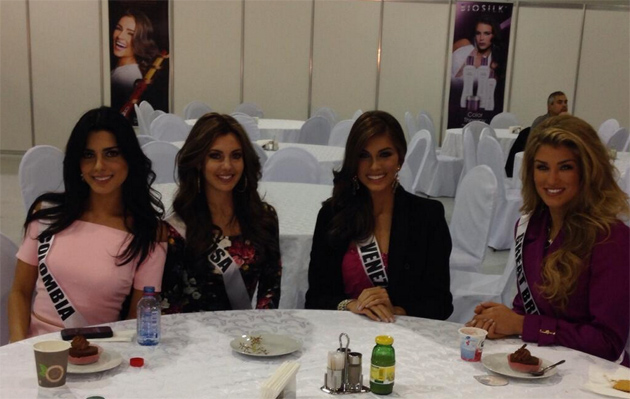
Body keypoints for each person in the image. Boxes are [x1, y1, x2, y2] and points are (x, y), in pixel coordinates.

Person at [468, 115, 630, 365]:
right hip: (546, 363)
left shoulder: (611, 238)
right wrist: (499, 321)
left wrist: (523, 324)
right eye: (542, 167)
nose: (552, 180)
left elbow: (608, 343)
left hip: (596, 377)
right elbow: (527, 308)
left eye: (565, 167)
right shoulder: (530, 226)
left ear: (587, 171)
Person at [8, 107, 167, 342]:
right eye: (88, 155)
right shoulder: (47, 215)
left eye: (111, 153)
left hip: (103, 354)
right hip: (38, 352)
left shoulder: (149, 233)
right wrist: (19, 345)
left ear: (129, 159)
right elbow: (20, 292)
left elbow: (138, 317)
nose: (99, 166)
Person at [305, 111, 453, 322]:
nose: (374, 166)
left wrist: (396, 310)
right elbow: (315, 298)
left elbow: (441, 304)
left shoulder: (427, 216)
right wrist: (352, 305)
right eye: (363, 156)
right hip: (343, 334)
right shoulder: (332, 215)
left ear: (400, 158)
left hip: (404, 338)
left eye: (385, 154)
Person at [160, 113, 281, 313]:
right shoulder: (177, 230)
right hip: (192, 339)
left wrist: (260, 333)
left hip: (247, 338)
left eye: (236, 155)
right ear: (198, 162)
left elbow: (270, 290)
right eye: (215, 156)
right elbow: (167, 306)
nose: (227, 166)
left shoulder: (264, 218)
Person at [505, 91, 569, 177]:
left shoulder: (569, 122)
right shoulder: (540, 122)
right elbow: (536, 145)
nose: (564, 105)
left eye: (565, 102)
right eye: (560, 102)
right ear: (550, 106)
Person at [110, 9, 158, 110]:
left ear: (140, 41)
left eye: (130, 33)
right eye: (118, 28)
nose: (120, 36)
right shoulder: (123, 71)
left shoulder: (125, 76)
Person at [452, 15, 506, 80]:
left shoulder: (493, 65)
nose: (481, 38)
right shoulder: (463, 43)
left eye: (486, 33)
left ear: (494, 36)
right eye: (478, 33)